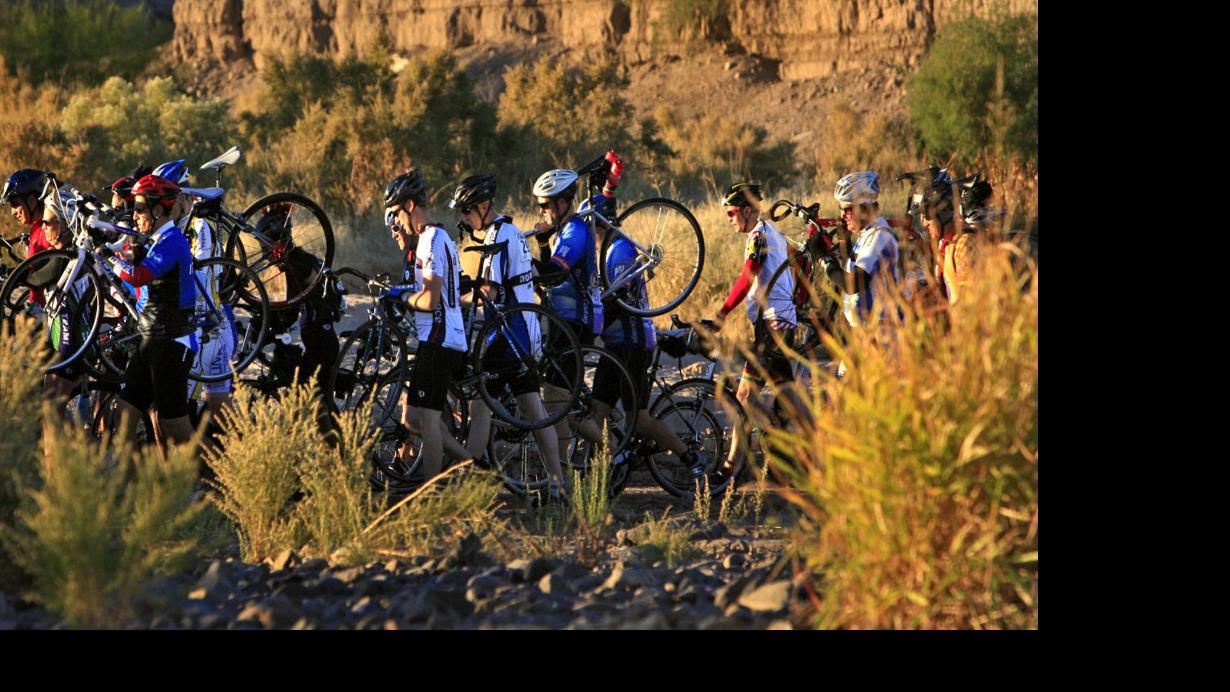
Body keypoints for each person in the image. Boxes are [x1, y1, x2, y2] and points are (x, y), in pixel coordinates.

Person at [449, 173, 568, 502]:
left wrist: (449, 301)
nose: (463, 218)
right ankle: (557, 485)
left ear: (485, 207)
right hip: (521, 333)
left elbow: (491, 291)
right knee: (532, 407)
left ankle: (468, 486)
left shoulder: (500, 236)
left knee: (480, 406)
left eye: (467, 211)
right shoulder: (506, 232)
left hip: (510, 336)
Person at [706, 181, 809, 484]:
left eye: (732, 212)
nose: (729, 218)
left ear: (747, 210)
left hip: (773, 324)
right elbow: (797, 266)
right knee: (790, 398)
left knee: (745, 395)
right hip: (779, 321)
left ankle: (736, 464)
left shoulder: (759, 236)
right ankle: (799, 451)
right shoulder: (772, 232)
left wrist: (723, 313)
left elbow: (747, 275)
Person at [383, 169, 473, 482]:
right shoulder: (429, 239)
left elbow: (431, 300)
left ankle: (430, 491)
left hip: (441, 340)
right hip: (433, 338)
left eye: (396, 212)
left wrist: (404, 297)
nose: (395, 221)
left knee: (430, 422)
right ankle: (475, 467)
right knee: (412, 417)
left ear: (409, 205)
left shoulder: (432, 241)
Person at [102, 174, 198, 459]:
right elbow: (137, 283)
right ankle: (133, 492)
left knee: (174, 425)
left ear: (158, 210)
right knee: (126, 412)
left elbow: (141, 275)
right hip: (151, 338)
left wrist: (107, 256)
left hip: (171, 341)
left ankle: (209, 484)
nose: (135, 215)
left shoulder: (172, 240)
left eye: (141, 208)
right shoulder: (156, 239)